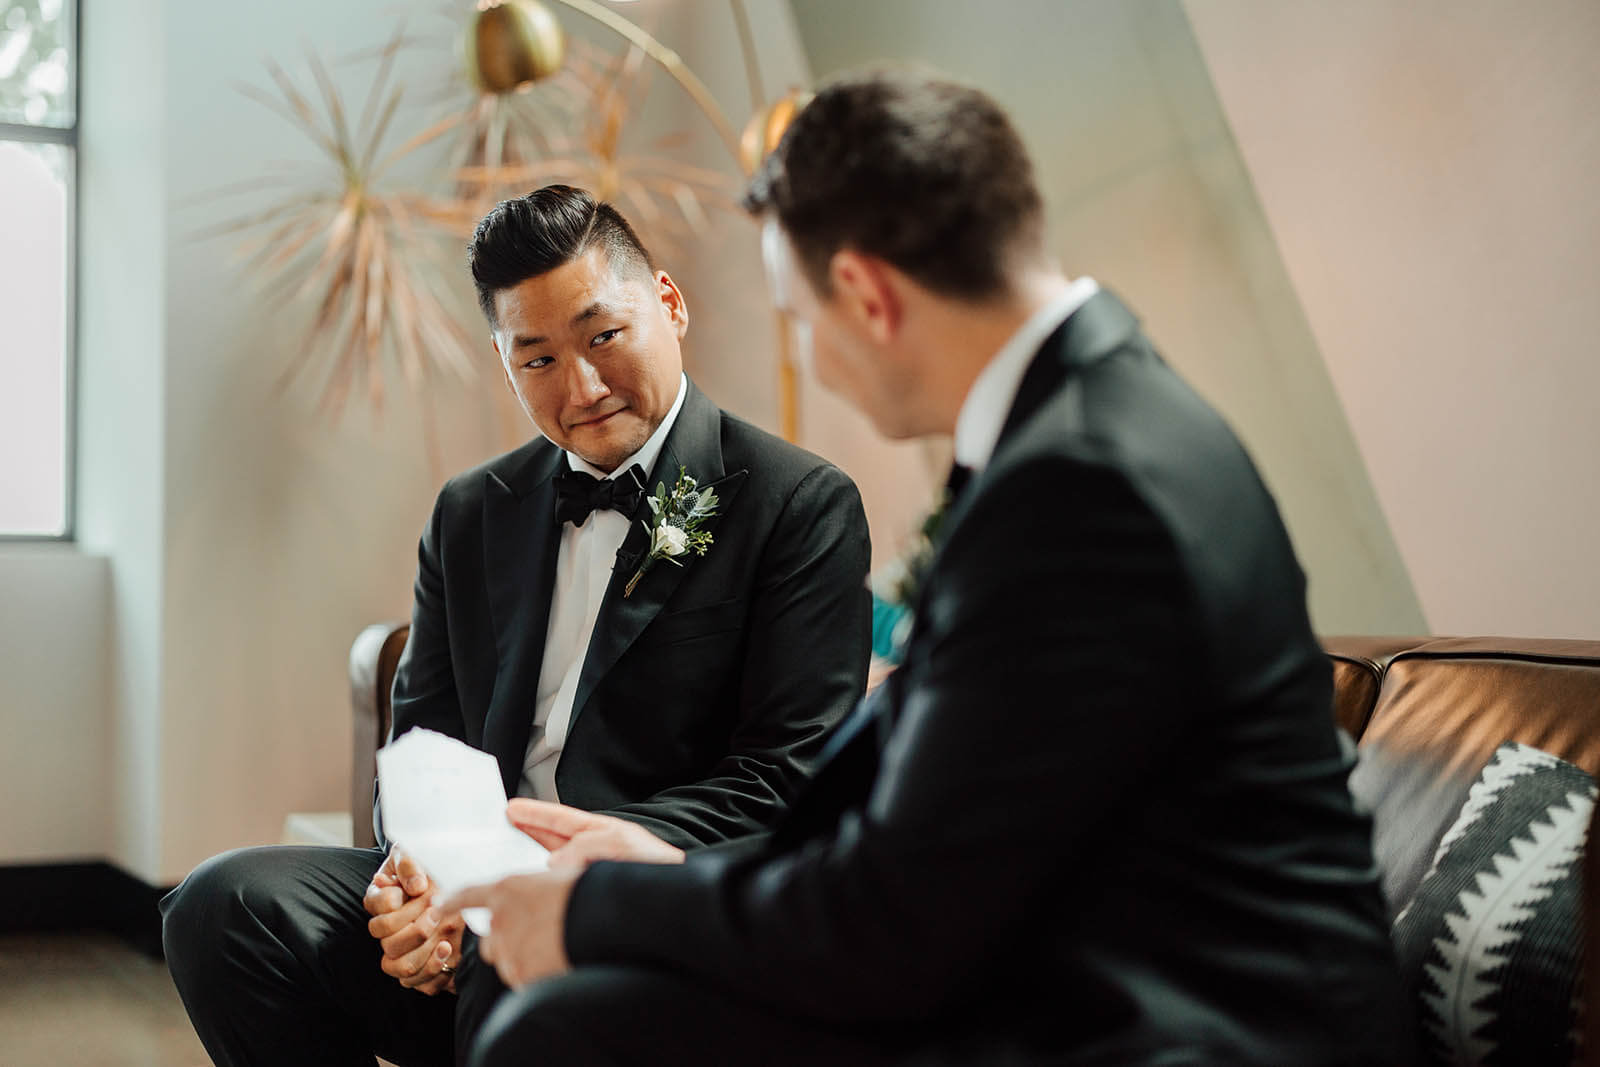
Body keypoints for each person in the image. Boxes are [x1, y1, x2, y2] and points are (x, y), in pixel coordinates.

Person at [440, 70, 1418, 1066]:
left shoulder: (1080, 487)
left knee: (563, 1030)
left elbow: (893, 915)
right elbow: (928, 830)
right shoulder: (1092, 420)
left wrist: (597, 905)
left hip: (1195, 1023)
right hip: (1071, 960)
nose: (812, 355)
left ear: (862, 292)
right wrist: (653, 868)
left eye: (797, 314)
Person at [160, 184, 873, 1066]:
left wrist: (543, 883)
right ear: (503, 363)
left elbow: (782, 779)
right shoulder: (471, 511)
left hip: (649, 912)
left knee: (518, 959)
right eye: (535, 359)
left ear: (668, 303)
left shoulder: (796, 503)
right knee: (223, 906)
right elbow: (422, 744)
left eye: (603, 335)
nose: (580, 386)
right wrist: (414, 889)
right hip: (472, 895)